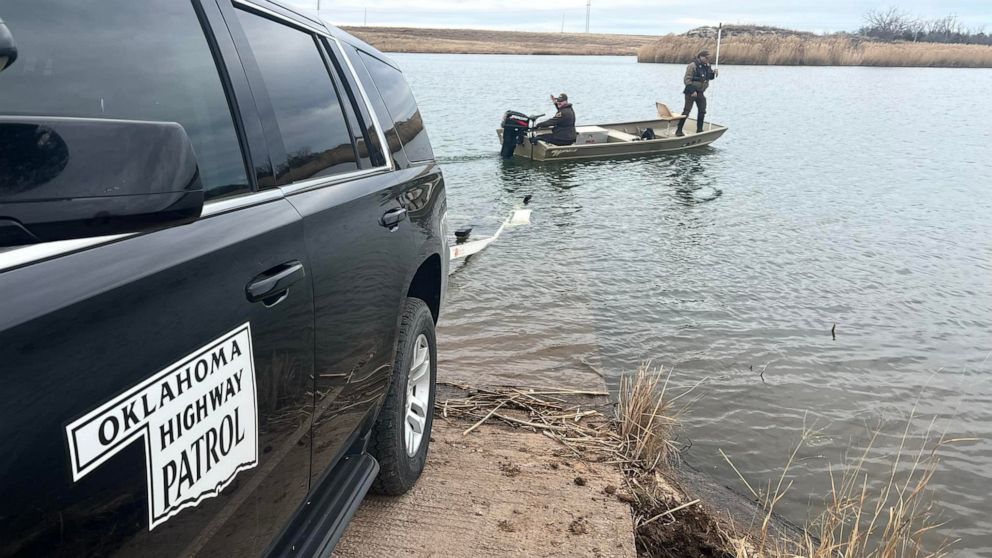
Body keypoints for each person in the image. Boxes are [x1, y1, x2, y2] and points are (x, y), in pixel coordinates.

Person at [675, 50, 718, 137]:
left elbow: (709, 77)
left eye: (709, 58)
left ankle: (699, 130)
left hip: (701, 92)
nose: (707, 60)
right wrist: (692, 91)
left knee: (702, 110)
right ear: (700, 57)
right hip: (691, 92)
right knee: (686, 111)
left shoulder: (707, 65)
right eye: (706, 58)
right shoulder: (692, 66)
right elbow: (687, 80)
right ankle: (679, 130)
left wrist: (714, 74)